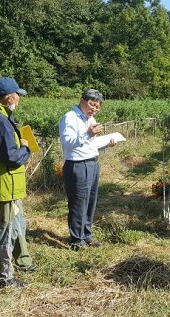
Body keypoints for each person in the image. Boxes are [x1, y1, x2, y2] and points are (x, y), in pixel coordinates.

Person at [0, 76, 37, 288]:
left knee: (16, 223)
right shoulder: (0, 121)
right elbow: (10, 158)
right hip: (6, 185)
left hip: (10, 184)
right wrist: (26, 148)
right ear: (9, 97)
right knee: (6, 229)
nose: (19, 100)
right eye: (18, 96)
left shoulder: (1, 117)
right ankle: (4, 277)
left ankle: (21, 261)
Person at [58, 89, 115, 251]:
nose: (94, 109)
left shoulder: (91, 119)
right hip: (77, 165)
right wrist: (88, 134)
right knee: (78, 203)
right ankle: (77, 239)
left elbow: (91, 144)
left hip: (92, 162)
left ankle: (87, 234)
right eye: (91, 104)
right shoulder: (70, 117)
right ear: (81, 100)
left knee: (90, 201)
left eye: (97, 107)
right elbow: (67, 142)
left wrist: (106, 144)